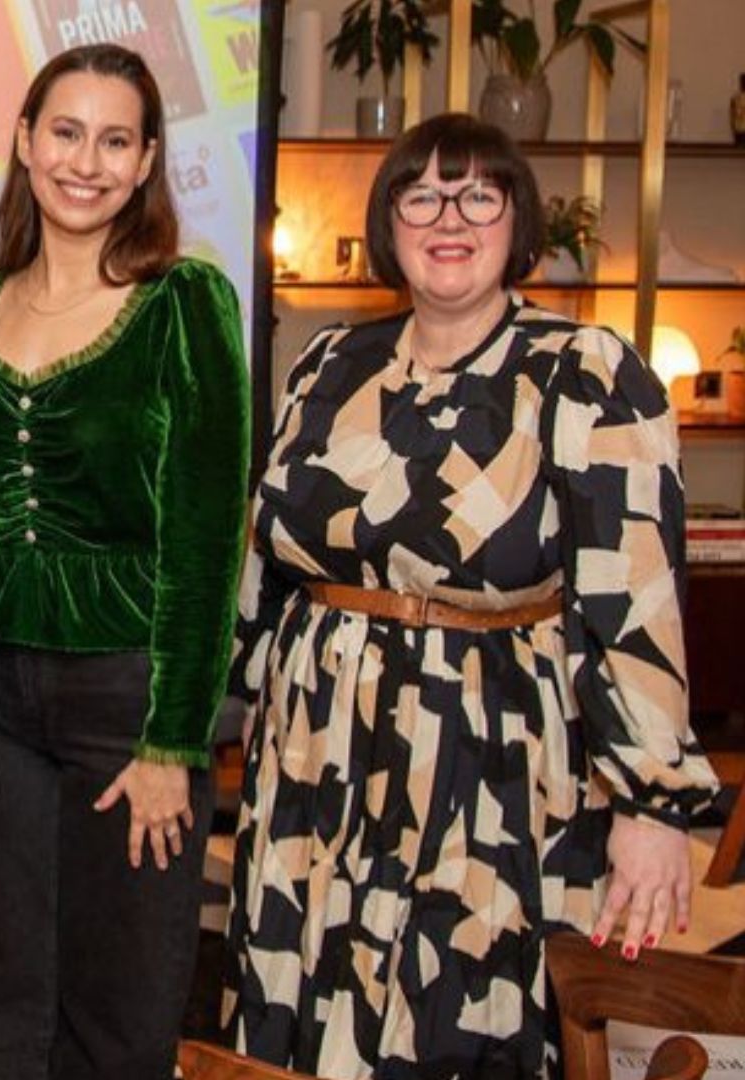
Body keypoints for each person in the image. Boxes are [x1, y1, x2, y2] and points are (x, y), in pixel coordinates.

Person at [225, 112, 721, 1079]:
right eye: (422, 194)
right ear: (389, 220)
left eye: (479, 194)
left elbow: (636, 594)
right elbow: (267, 552)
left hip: (486, 767)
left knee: (456, 1019)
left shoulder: (586, 373)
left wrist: (653, 804)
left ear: (517, 221)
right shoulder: (329, 363)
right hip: (313, 759)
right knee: (302, 1006)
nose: (449, 217)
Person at [0, 44, 252, 1080]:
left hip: (128, 699)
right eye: (66, 132)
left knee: (118, 999)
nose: (87, 162)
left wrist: (174, 743)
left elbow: (207, 542)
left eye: (117, 140)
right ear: (24, 142)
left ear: (149, 159)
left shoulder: (185, 302)